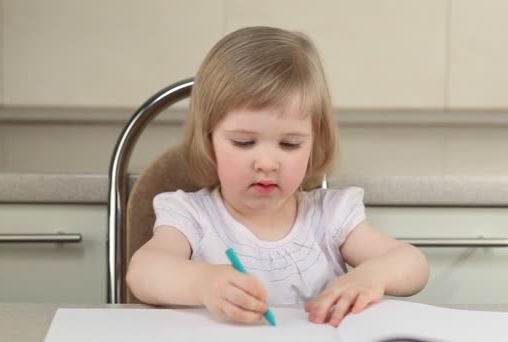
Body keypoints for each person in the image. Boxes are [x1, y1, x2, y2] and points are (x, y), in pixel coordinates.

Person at [126, 26, 429, 327]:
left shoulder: (329, 216)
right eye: (244, 142)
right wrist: (203, 283)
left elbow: (413, 264)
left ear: (314, 142)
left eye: (290, 144)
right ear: (208, 141)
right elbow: (142, 272)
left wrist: (371, 276)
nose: (268, 163)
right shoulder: (192, 216)